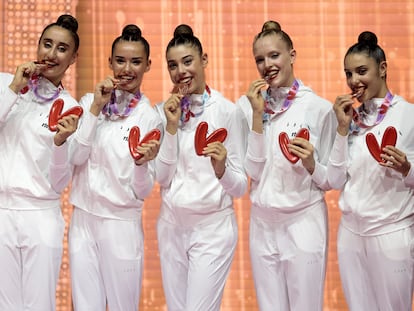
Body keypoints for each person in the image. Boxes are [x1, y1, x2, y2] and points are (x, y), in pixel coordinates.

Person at [236, 20, 337, 311]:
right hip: (262, 223)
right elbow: (252, 173)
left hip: (303, 222)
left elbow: (331, 180)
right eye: (260, 59)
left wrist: (311, 163)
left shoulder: (318, 108)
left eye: (274, 55)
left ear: (292, 55)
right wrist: (256, 117)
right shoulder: (246, 107)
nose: (267, 64)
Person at [66, 25, 162, 310]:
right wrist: (95, 108)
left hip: (121, 225)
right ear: (110, 62)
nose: (126, 69)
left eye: (135, 62)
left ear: (147, 65)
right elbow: (76, 157)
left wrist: (142, 164)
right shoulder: (87, 104)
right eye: (120, 60)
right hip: (82, 221)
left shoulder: (150, 117)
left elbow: (143, 191)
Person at [154, 24, 248, 311]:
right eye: (173, 65)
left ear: (204, 60)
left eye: (188, 61)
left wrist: (221, 168)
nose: (181, 71)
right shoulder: (162, 112)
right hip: (171, 227)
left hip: (212, 230)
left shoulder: (228, 111)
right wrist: (170, 127)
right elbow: (161, 177)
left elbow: (241, 186)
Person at [328, 31, 414, 311]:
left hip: (392, 233)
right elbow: (335, 179)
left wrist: (406, 167)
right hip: (351, 235)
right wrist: (341, 130)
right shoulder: (348, 120)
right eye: (348, 74)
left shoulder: (408, 115)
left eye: (361, 71)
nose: (354, 81)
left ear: (383, 68)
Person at [0, 14, 80, 311]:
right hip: (2, 213)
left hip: (40, 216)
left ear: (73, 58)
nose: (51, 54)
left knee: (38, 305)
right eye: (47, 44)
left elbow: (60, 182)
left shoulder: (71, 109)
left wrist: (60, 143)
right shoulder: (6, 83)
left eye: (62, 48)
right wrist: (12, 90)